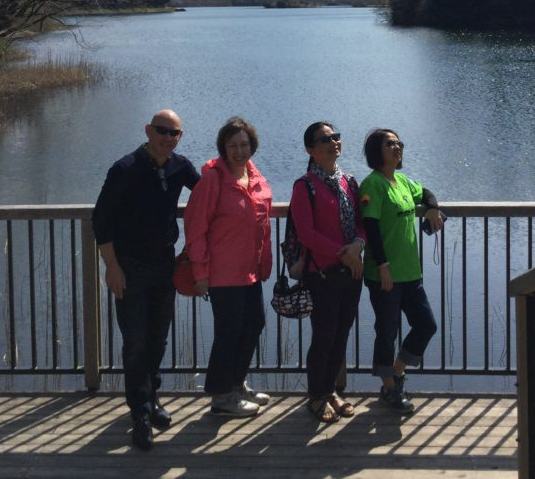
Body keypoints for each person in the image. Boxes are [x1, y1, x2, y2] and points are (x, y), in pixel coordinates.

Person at [91, 109, 200, 451]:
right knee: (135, 341)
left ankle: (151, 399)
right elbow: (101, 220)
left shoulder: (180, 166)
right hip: (131, 268)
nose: (168, 137)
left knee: (158, 339)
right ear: (148, 130)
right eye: (162, 131)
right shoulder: (124, 169)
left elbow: (211, 190)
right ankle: (139, 414)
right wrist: (112, 267)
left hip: (165, 266)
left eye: (175, 133)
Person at [184, 116, 274, 416]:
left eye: (244, 144)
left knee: (253, 325)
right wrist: (201, 273)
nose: (239, 151)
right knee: (229, 332)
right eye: (232, 145)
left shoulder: (254, 174)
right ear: (223, 148)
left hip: (250, 270)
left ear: (252, 146)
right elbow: (196, 228)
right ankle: (221, 397)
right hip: (222, 273)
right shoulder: (213, 179)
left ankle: (236, 384)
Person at [360, 128, 445, 414]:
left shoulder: (402, 181)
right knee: (386, 330)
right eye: (390, 144)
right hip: (384, 274)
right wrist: (383, 266)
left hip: (410, 273)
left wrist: (432, 208)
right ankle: (389, 387)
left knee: (426, 324)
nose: (397, 148)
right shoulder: (373, 184)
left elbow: (427, 192)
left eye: (399, 143)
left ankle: (396, 371)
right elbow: (370, 228)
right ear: (377, 150)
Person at [289, 122, 366, 424]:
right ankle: (316, 396)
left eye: (336, 137)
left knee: (342, 334)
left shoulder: (349, 181)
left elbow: (362, 223)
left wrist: (358, 245)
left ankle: (331, 390)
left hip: (352, 272)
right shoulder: (304, 186)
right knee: (324, 335)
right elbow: (307, 234)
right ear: (310, 149)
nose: (333, 143)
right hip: (322, 273)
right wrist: (343, 254)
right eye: (324, 140)